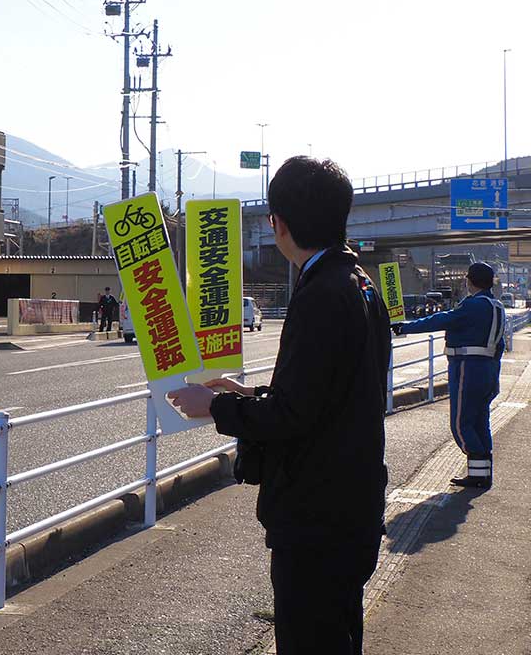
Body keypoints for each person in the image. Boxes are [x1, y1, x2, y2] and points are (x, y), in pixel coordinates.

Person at [166, 157, 389, 655]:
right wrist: (245, 395)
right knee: (339, 633)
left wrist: (216, 407)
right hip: (351, 502)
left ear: (279, 224)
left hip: (316, 515)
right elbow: (327, 396)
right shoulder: (359, 283)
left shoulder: (320, 295)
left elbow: (293, 415)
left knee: (311, 638)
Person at [394, 262, 505, 488]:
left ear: (469, 281)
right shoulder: (497, 306)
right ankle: (481, 475)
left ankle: (477, 467)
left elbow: (441, 320)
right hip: (489, 369)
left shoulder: (474, 305)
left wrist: (405, 327)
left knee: (461, 424)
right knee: (480, 421)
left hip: (467, 367)